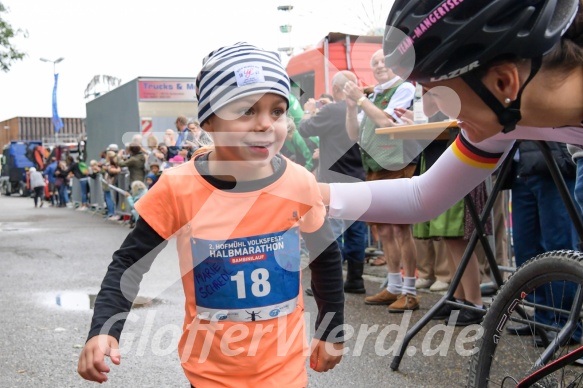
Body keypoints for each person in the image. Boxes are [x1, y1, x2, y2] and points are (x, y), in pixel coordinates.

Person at [78, 42, 344, 387]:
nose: (265, 124)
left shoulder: (299, 182)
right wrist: (103, 329)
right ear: (210, 121)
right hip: (210, 374)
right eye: (246, 110)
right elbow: (129, 263)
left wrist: (331, 329)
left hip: (284, 370)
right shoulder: (178, 188)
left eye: (277, 111)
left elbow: (325, 257)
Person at [320, 0, 583, 332]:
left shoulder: (500, 108)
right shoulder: (504, 115)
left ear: (503, 82)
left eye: (436, 94)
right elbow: (422, 196)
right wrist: (316, 195)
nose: (433, 107)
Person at [343, 48, 419, 313]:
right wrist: (352, 108)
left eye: (383, 61)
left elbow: (386, 122)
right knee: (384, 231)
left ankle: (410, 290)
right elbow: (354, 134)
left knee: (401, 229)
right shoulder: (373, 94)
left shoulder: (404, 88)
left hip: (397, 164)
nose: (378, 66)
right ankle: (394, 286)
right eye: (374, 62)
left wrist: (361, 101)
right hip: (374, 167)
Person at [298, 70, 367, 294]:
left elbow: (304, 129)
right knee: (356, 230)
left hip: (334, 180)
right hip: (358, 176)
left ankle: (331, 281)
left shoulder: (331, 110)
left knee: (332, 231)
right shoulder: (363, 109)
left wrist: (310, 112)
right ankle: (356, 280)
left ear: (336, 89)